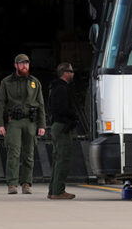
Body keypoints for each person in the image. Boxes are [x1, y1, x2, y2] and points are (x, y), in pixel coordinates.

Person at [0, 53, 46, 194]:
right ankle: (12, 183)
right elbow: (1, 103)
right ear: (16, 65)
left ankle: (26, 183)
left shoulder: (35, 82)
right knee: (14, 152)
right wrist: (0, 123)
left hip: (30, 122)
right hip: (14, 122)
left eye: (27, 63)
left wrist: (42, 125)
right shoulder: (6, 82)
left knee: (29, 154)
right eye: (21, 63)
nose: (24, 66)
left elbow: (41, 104)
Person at [46, 62, 77, 200]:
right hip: (62, 126)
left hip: (57, 125)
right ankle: (58, 191)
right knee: (63, 158)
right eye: (71, 71)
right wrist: (72, 117)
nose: (73, 73)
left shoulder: (55, 87)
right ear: (65, 72)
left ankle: (53, 190)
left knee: (58, 158)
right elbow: (62, 109)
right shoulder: (62, 89)